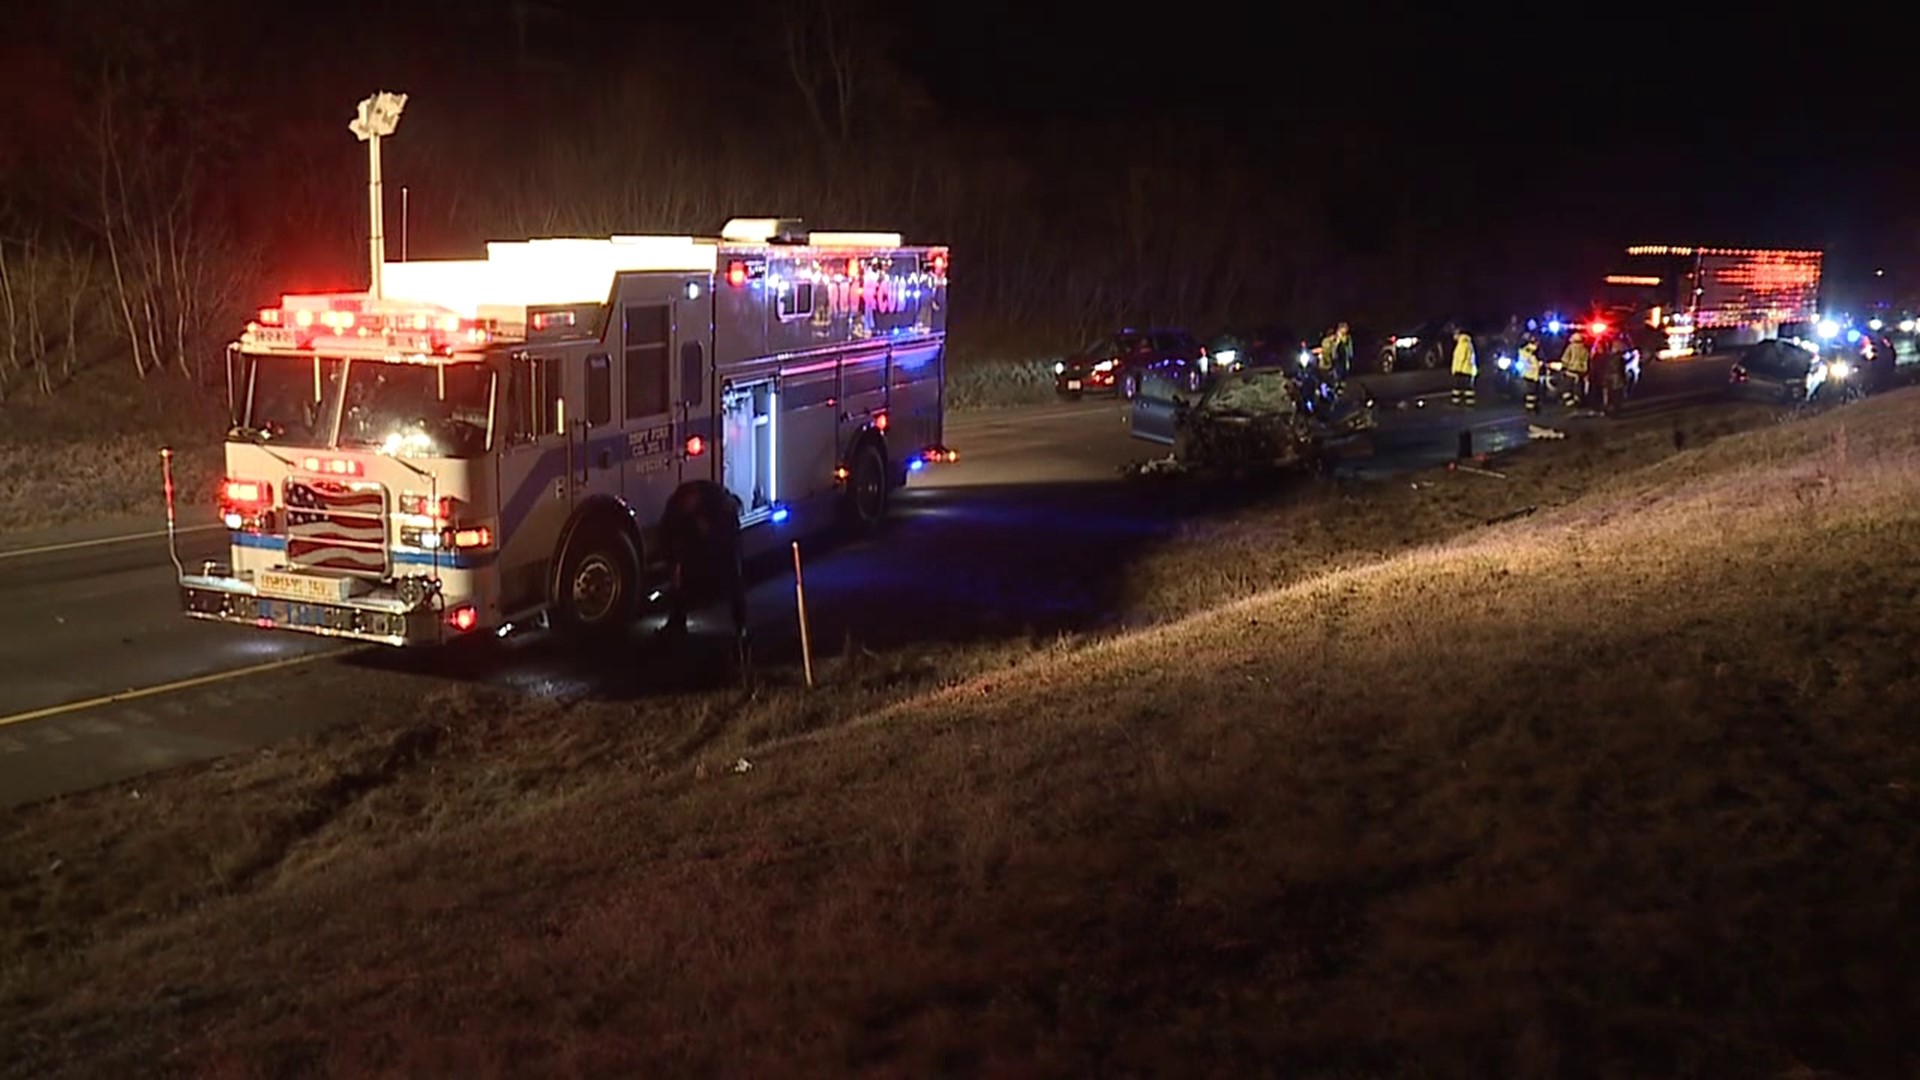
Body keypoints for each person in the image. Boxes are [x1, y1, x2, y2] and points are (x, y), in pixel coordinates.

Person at [657, 480, 750, 669]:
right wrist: (674, 565)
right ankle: (677, 621)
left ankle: (740, 627)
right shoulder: (675, 509)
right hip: (695, 542)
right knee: (681, 582)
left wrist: (716, 539)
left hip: (722, 538)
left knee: (732, 577)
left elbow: (734, 510)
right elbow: (667, 536)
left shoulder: (719, 502)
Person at [1559, 330, 1591, 408]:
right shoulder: (1584, 349)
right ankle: (1578, 402)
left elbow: (1565, 358)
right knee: (1578, 389)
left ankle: (1569, 404)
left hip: (1570, 371)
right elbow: (1587, 360)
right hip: (1580, 373)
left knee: (1567, 389)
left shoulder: (1570, 347)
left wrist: (1564, 367)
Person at [1450, 328, 1477, 407]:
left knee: (1458, 388)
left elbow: (1461, 357)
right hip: (1468, 369)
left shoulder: (1463, 344)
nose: (1453, 337)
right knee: (1468, 388)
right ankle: (1469, 403)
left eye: (1455, 334)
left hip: (1462, 369)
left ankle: (1457, 403)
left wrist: (1456, 370)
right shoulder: (1467, 343)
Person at [1517, 335, 1543, 414]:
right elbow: (1537, 362)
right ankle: (1532, 408)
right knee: (1533, 392)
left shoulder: (1523, 351)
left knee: (1530, 392)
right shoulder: (1533, 351)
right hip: (1533, 374)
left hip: (1527, 374)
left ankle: (1530, 407)